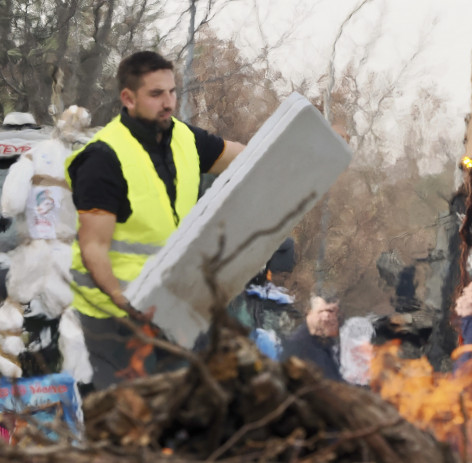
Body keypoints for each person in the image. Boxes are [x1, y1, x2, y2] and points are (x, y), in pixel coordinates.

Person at [65, 51, 246, 390]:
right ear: (128, 99)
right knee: (129, 415)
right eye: (156, 94)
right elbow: (93, 247)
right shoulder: (103, 158)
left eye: (172, 92)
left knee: (186, 402)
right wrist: (124, 302)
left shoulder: (186, 139)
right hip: (110, 313)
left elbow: (246, 158)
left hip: (168, 302)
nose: (169, 103)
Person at [282, 293, 342, 381]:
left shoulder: (328, 341)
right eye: (321, 311)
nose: (326, 317)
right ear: (308, 311)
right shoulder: (296, 344)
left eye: (331, 312)